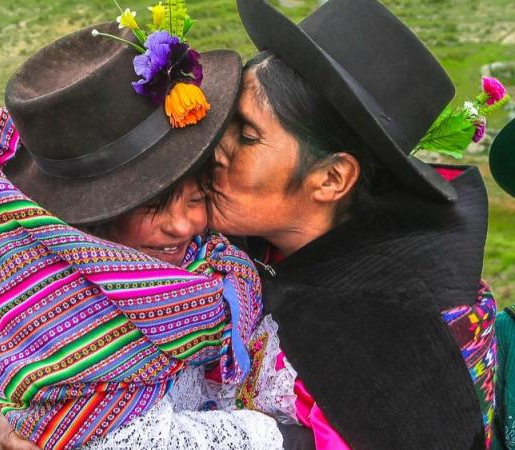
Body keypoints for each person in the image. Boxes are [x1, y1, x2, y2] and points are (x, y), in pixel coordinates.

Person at [0, 21, 312, 450]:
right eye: (150, 204)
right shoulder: (65, 325)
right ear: (85, 222)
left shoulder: (208, 255)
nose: (183, 225)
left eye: (198, 196)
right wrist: (290, 440)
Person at [202, 0, 499, 448]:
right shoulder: (238, 243)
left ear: (331, 178)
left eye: (246, 136)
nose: (216, 148)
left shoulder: (404, 341)